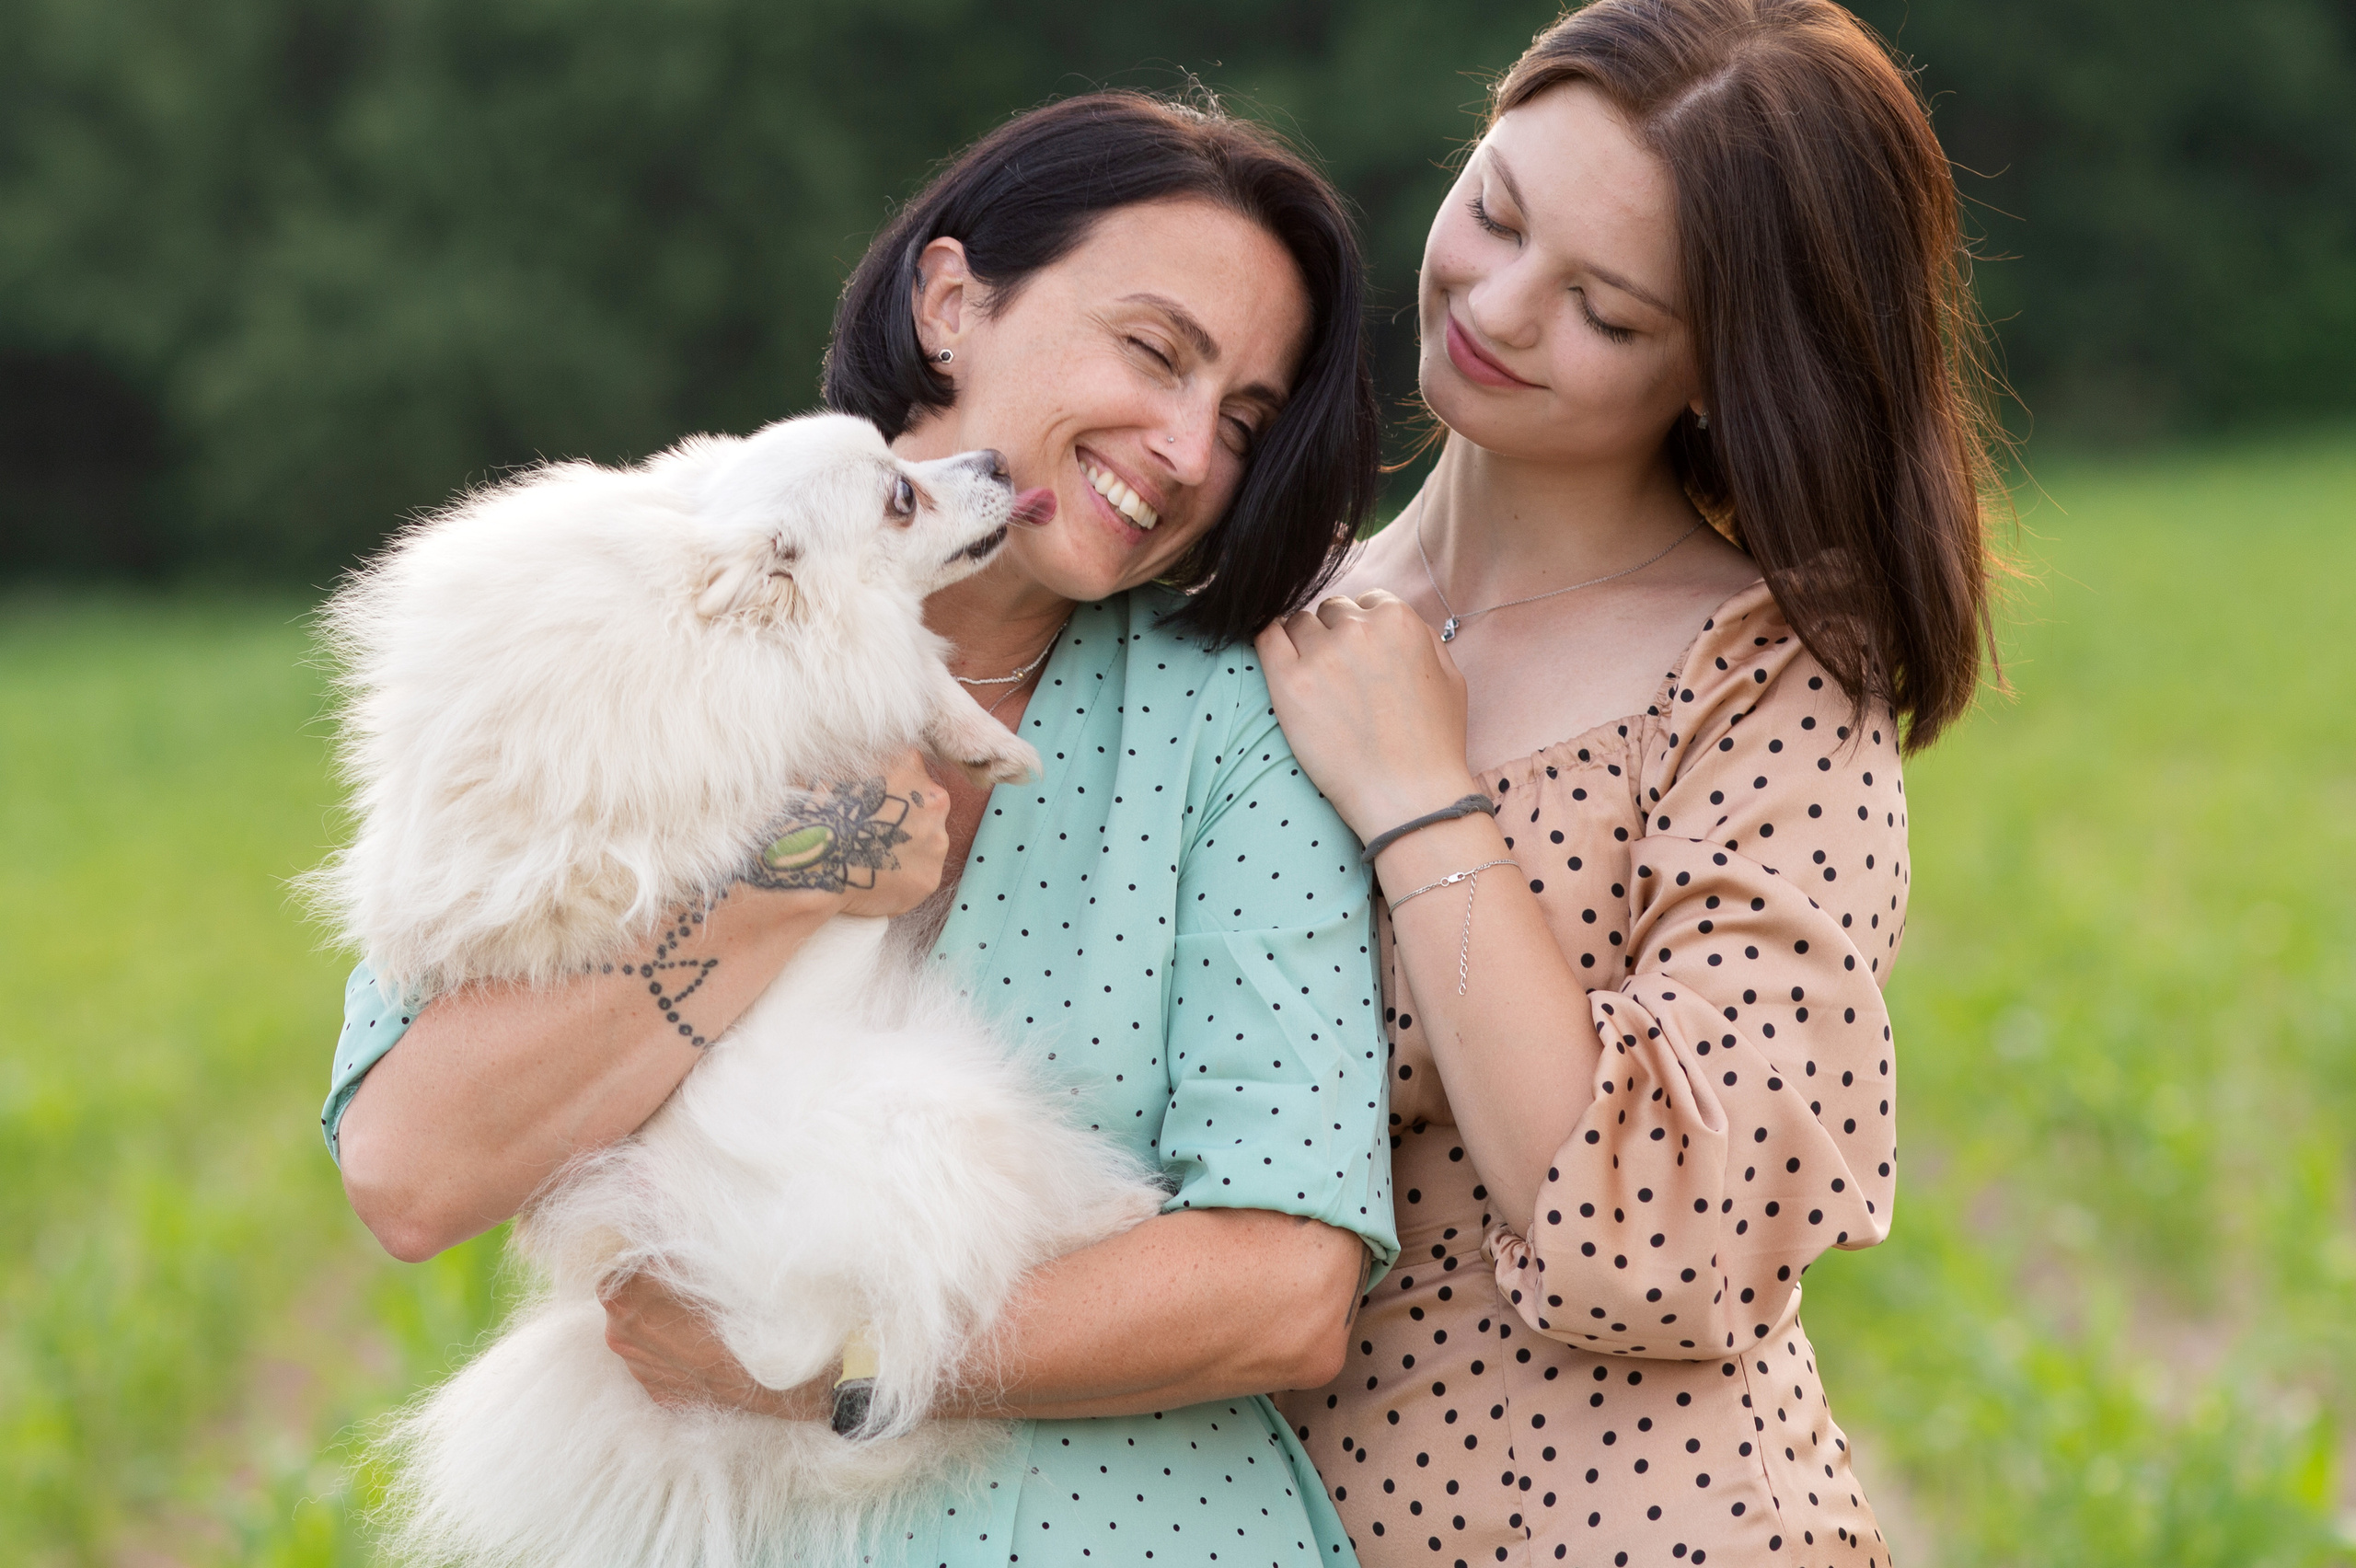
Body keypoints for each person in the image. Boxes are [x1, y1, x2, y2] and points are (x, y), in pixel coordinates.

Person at [323, 91, 1401, 1566]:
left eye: (1245, 422)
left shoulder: (1234, 723)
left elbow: (1285, 1290)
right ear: (951, 303)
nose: (1186, 448)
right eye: (1156, 353)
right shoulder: (631, 608)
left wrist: (823, 1371)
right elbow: (411, 1169)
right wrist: (791, 883)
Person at [1258, 3, 2001, 1564]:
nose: (1499, 306)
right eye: (1496, 208)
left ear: (1725, 372)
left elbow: (1675, 1237)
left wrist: (1422, 799)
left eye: (1603, 309)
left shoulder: (1768, 681)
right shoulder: (1265, 614)